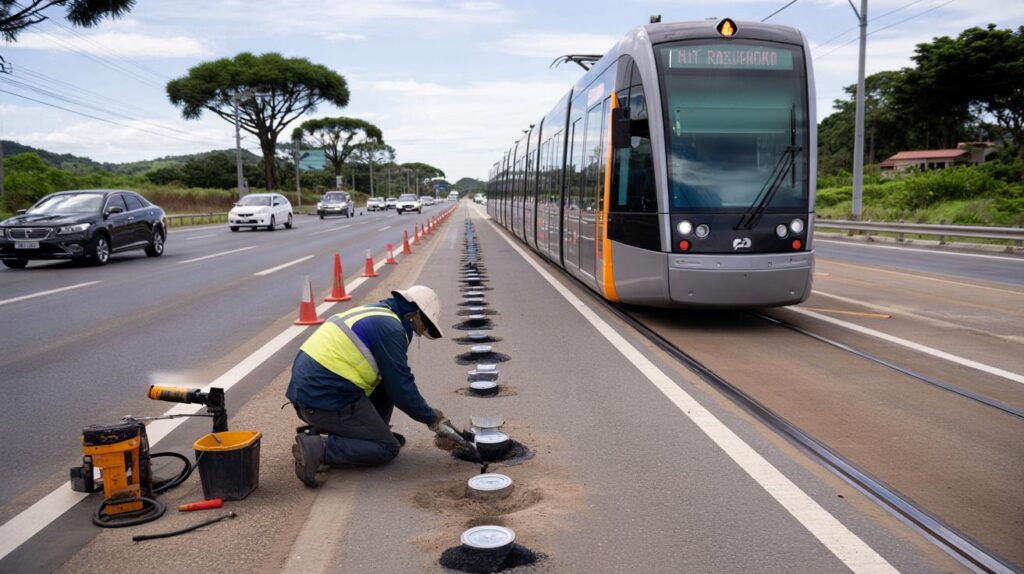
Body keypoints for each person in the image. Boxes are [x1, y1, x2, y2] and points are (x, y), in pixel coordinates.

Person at [286, 285, 454, 487]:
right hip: (322, 401)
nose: (419, 332)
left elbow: (391, 384)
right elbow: (402, 389)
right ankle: (317, 449)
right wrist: (433, 419)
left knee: (385, 384)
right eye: (423, 326)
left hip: (314, 394)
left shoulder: (377, 313)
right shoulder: (390, 329)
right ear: (415, 314)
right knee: (387, 448)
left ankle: (368, 435)